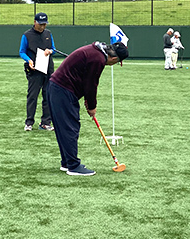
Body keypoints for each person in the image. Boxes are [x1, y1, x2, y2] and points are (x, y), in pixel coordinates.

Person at [47, 41, 129, 176]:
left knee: (65, 128)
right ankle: (73, 166)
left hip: (58, 88)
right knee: (70, 128)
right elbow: (91, 84)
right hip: (62, 90)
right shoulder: (98, 59)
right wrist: (92, 106)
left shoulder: (96, 51)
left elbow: (85, 79)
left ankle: (67, 162)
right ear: (114, 58)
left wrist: (87, 99)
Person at [19, 12, 56, 132]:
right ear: (34, 22)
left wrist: (50, 51)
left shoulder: (48, 34)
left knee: (48, 95)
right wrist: (28, 60)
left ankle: (45, 122)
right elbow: (22, 51)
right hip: (34, 69)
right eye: (40, 24)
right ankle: (29, 122)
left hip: (48, 68)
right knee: (32, 96)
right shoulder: (27, 35)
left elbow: (54, 49)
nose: (42, 27)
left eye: (44, 24)